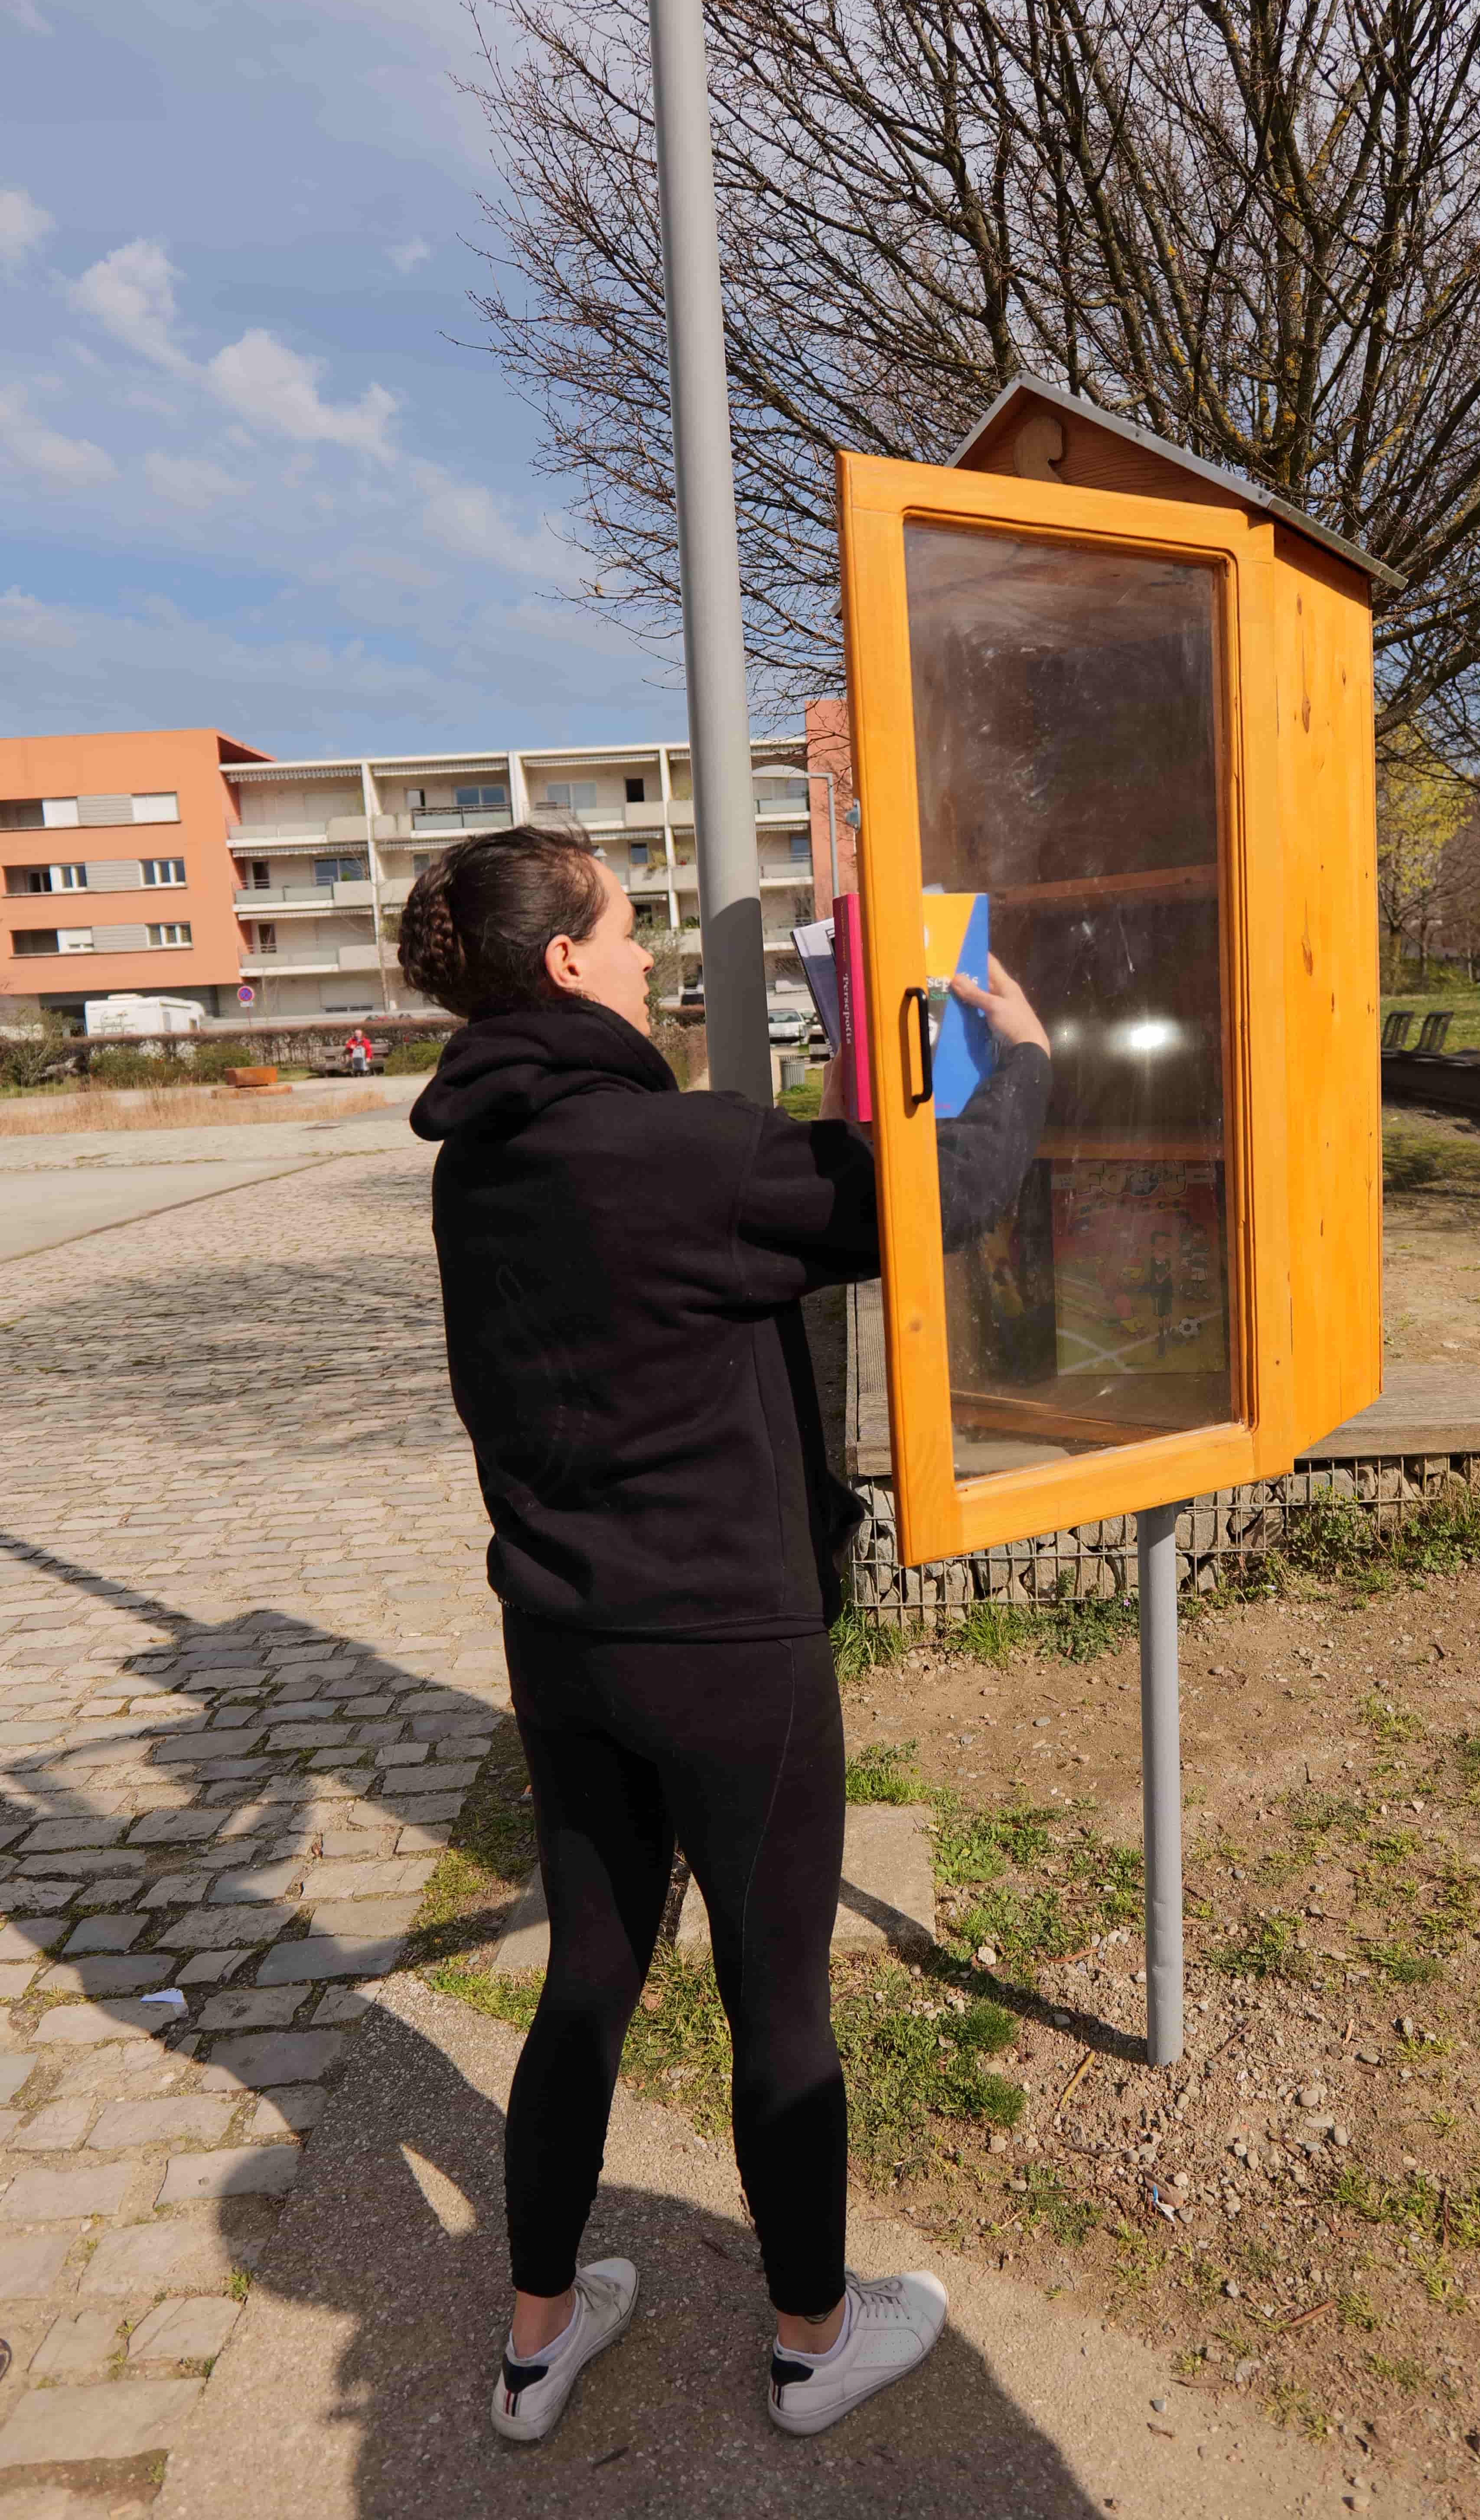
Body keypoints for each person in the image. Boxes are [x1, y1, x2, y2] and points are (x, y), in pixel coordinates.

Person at [398, 824, 1050, 2450]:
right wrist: (1020, 1058)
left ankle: (537, 2339)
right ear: (563, 965)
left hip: (562, 1643)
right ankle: (812, 2342)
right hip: (726, 1650)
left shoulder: (469, 1162)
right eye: (627, 935)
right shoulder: (689, 1152)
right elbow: (945, 1197)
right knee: (778, 1999)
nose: (645, 959)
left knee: (590, 1978)